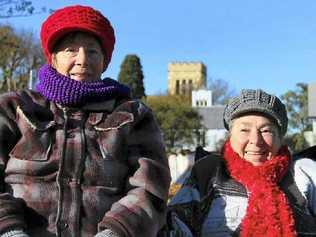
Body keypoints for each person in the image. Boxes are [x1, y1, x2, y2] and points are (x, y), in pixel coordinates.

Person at [0, 5, 170, 237]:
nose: (82, 60)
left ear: (104, 61)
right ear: (53, 58)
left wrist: (115, 233)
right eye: (70, 50)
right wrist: (8, 230)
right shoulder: (15, 107)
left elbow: (149, 188)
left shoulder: (132, 115)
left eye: (92, 52)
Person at [167, 89, 316, 237]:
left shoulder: (304, 171)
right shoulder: (208, 171)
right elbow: (174, 224)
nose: (256, 141)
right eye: (244, 130)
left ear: (280, 138)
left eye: (266, 131)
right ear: (230, 136)